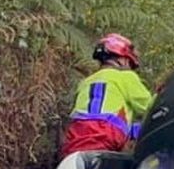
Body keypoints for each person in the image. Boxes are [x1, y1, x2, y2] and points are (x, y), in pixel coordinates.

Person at [63, 32, 155, 160]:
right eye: (130, 63)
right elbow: (151, 107)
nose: (130, 68)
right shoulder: (126, 77)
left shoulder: (86, 82)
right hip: (105, 133)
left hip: (76, 134)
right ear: (122, 60)